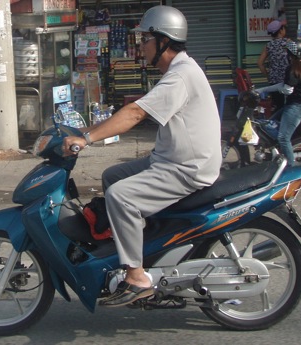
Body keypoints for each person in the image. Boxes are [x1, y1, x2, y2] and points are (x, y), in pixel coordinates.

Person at [62, 6, 222, 307]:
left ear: (163, 40)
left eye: (145, 39)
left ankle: (137, 278)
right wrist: (84, 130)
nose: (141, 45)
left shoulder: (181, 76)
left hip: (187, 167)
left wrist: (85, 139)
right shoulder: (177, 71)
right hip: (171, 159)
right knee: (113, 176)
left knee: (122, 196)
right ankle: (139, 242)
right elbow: (135, 112)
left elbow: (135, 113)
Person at [257, 41, 301, 166]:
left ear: (290, 55)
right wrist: (262, 90)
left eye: (286, 53)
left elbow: (287, 89)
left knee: (283, 137)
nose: (285, 55)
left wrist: (280, 90)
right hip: (295, 104)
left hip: (298, 106)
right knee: (269, 124)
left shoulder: (293, 69)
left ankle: (291, 169)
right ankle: (278, 157)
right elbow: (284, 86)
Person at [257, 19, 290, 112]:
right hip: (288, 81)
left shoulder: (268, 45)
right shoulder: (288, 43)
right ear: (280, 30)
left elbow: (260, 63)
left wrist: (268, 76)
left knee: (278, 106)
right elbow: (299, 57)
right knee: (289, 106)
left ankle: (276, 124)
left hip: (274, 81)